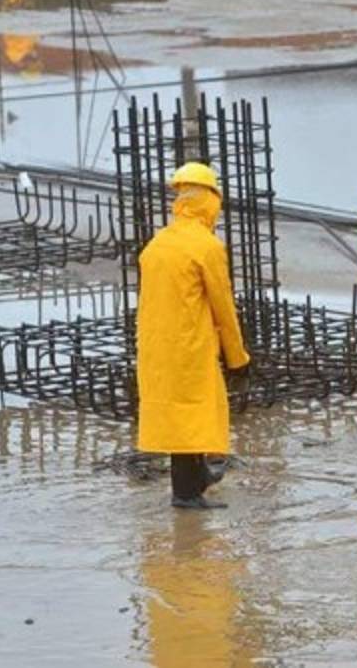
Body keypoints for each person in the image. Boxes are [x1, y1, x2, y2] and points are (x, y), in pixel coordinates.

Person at [137, 162, 251, 509]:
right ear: (210, 200)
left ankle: (195, 479)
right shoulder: (206, 246)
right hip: (189, 347)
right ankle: (186, 494)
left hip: (157, 347)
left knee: (179, 418)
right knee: (193, 414)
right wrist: (238, 358)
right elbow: (223, 307)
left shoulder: (158, 243)